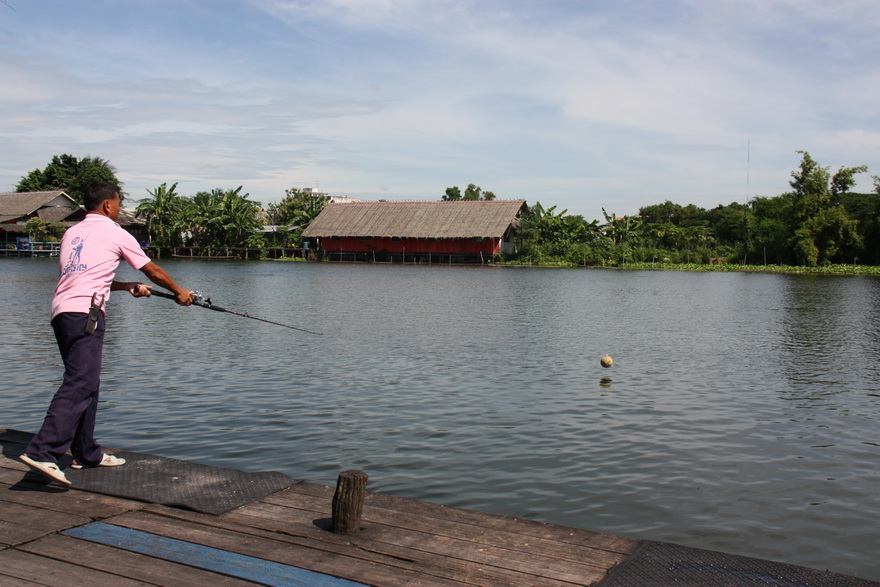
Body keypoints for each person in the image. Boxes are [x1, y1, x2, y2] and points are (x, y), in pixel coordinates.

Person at [20, 181, 193, 486]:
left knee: (87, 380)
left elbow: (85, 276)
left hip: (62, 311)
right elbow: (151, 270)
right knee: (81, 381)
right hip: (86, 314)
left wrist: (125, 287)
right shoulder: (115, 232)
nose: (118, 208)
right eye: (118, 202)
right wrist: (180, 291)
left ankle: (86, 452)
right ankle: (43, 451)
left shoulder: (72, 233)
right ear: (107, 205)